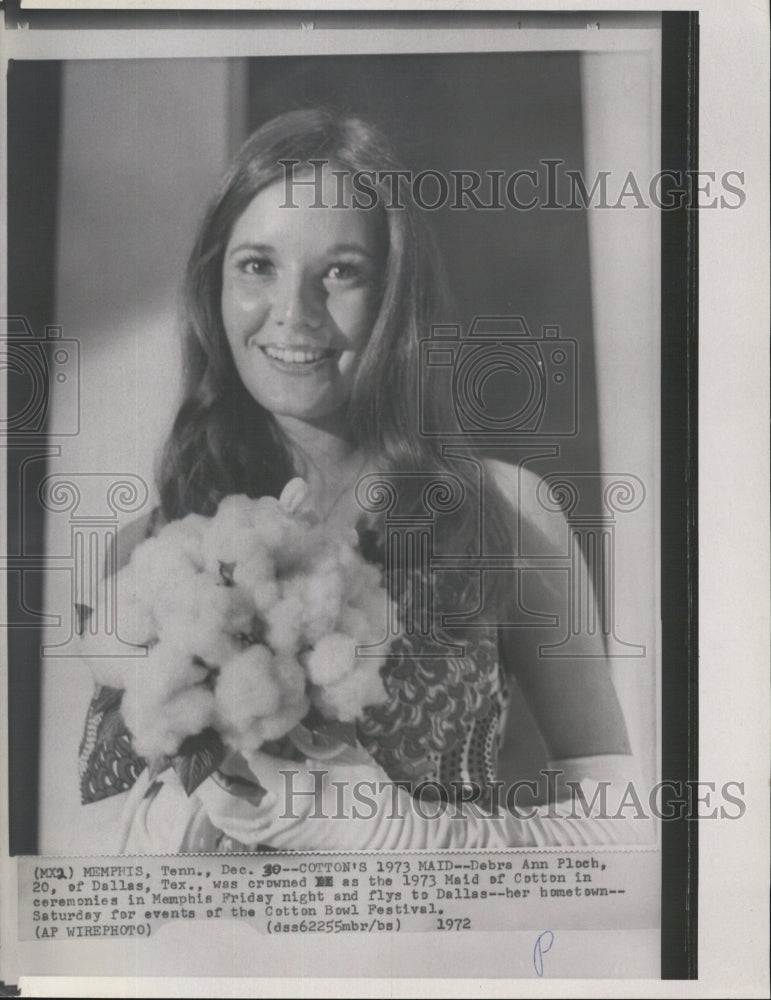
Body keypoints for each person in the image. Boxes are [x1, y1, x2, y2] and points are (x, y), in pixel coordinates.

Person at [78, 108, 650, 853]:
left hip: (424, 960)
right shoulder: (146, 547)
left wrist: (405, 834)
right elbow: (81, 846)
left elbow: (623, 831)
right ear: (212, 287)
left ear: (394, 296)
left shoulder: (505, 513)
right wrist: (158, 827)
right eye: (257, 266)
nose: (293, 315)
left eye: (340, 273)